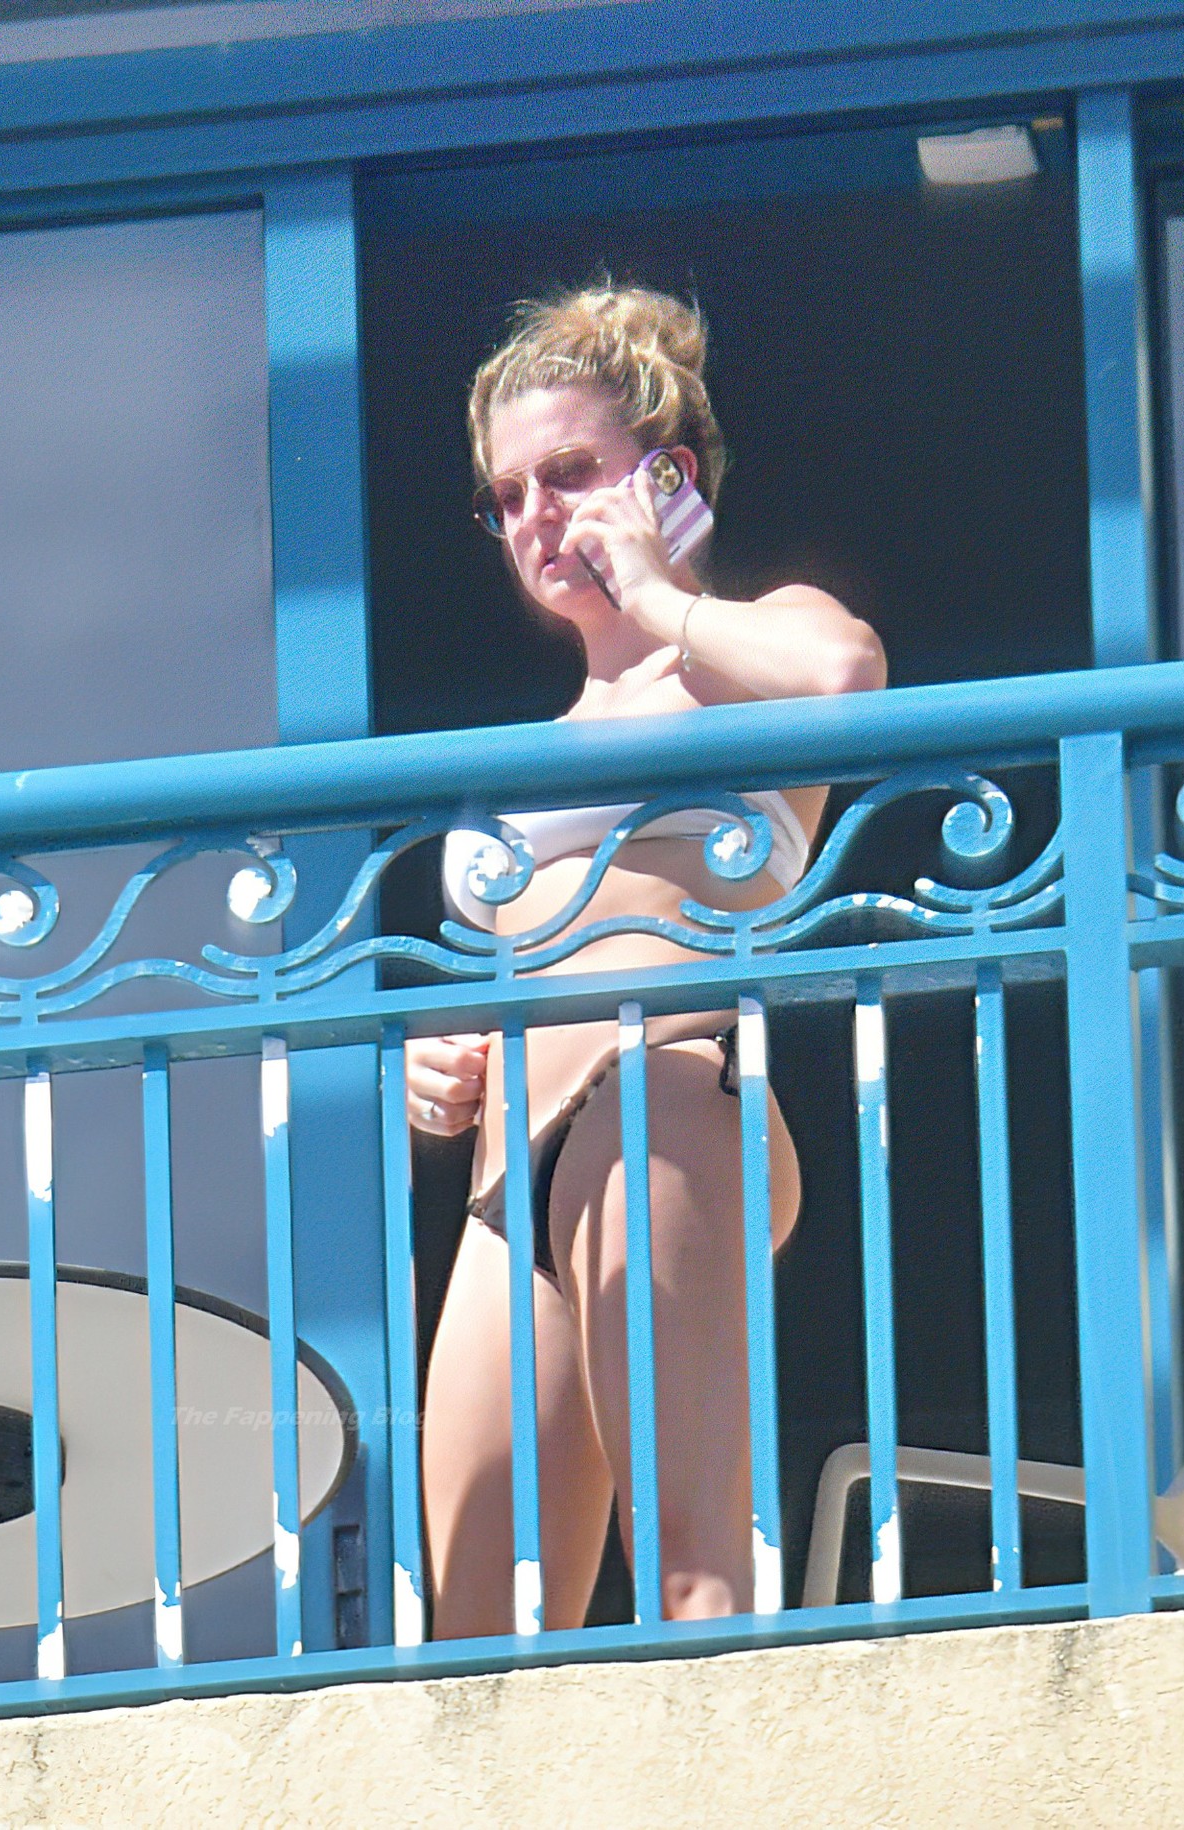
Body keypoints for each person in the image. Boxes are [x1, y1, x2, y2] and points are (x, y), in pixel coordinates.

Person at [411, 283, 886, 1635]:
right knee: (476, 1640)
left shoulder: (737, 650)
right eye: (508, 495)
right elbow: (509, 962)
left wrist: (665, 597)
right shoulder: (528, 748)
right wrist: (440, 1065)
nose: (535, 515)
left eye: (570, 472)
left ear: (669, 477)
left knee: (690, 1573)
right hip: (508, 1174)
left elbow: (846, 676)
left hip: (666, 1091)